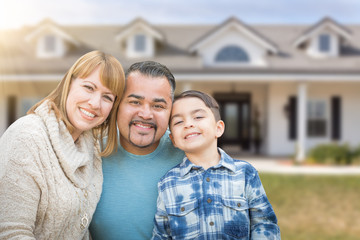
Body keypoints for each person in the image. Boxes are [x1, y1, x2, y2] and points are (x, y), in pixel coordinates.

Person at [0, 50, 125, 239]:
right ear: (69, 83)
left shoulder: (91, 147)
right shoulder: (27, 137)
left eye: (107, 97)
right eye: (89, 87)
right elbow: (10, 233)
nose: (95, 103)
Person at [152, 90, 281, 239]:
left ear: (218, 128)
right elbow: (161, 235)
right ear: (173, 139)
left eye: (198, 116)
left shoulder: (245, 173)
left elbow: (264, 224)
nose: (188, 124)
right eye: (178, 122)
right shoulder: (167, 183)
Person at [90, 61, 184, 239]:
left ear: (171, 110)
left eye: (158, 106)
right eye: (135, 102)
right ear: (117, 105)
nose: (146, 114)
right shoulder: (91, 152)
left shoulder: (188, 156)